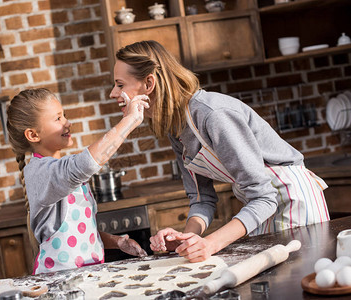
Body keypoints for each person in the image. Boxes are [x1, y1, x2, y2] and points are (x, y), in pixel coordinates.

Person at [109, 40, 329, 262]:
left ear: (149, 83)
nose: (112, 93)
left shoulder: (213, 115)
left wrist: (210, 244)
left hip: (292, 198)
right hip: (259, 206)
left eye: (120, 84)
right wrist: (187, 238)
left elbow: (263, 196)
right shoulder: (175, 128)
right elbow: (201, 198)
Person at [6, 88, 149, 274]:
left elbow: (80, 233)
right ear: (33, 135)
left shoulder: (61, 171)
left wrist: (117, 242)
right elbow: (86, 164)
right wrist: (129, 120)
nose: (68, 123)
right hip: (58, 282)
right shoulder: (40, 172)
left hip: (86, 277)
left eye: (64, 115)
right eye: (58, 118)